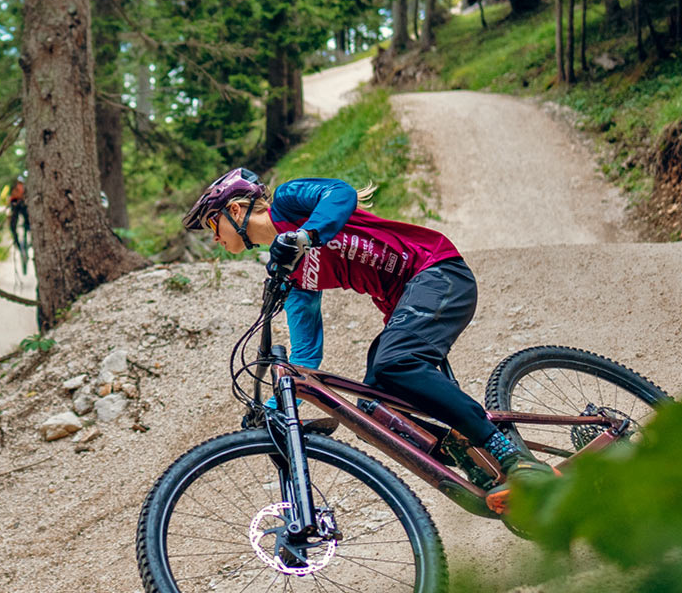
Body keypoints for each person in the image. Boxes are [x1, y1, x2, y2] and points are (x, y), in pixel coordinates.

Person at [181, 168, 554, 512]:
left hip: (437, 272)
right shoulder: (288, 270)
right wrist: (283, 400)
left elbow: (339, 193)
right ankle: (480, 465)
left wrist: (306, 235)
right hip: (407, 306)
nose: (214, 237)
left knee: (395, 362)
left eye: (214, 224)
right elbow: (306, 350)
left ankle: (515, 458)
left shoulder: (289, 202)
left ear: (236, 209)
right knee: (376, 409)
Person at [4, 174, 30, 255]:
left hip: (18, 205)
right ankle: (18, 241)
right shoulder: (16, 187)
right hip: (18, 205)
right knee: (15, 222)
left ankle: (19, 241)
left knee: (15, 223)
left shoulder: (21, 187)